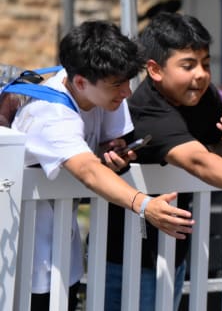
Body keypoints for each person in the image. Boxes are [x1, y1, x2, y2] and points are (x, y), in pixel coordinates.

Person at [104, 12, 222, 310]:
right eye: (188, 65)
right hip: (128, 257)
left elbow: (218, 151)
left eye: (205, 63)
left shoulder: (204, 96)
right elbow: (197, 160)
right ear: (155, 70)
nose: (200, 74)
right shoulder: (147, 109)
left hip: (173, 252)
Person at [11, 20, 194, 310]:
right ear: (81, 82)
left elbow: (109, 144)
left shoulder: (103, 86)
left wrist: (114, 151)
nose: (127, 93)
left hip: (62, 252)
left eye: (128, 82)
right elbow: (87, 170)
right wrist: (145, 205)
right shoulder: (51, 115)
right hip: (22, 258)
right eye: (118, 85)